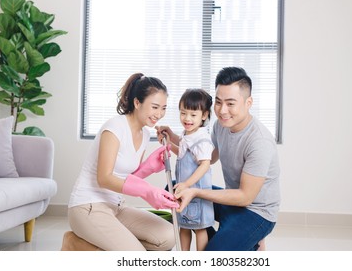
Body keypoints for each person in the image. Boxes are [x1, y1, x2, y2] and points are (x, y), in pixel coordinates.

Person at [157, 67, 280, 251]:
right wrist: (172, 137)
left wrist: (195, 192)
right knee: (173, 188)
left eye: (231, 104)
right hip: (232, 203)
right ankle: (235, 238)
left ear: (248, 103)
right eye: (218, 102)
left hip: (256, 212)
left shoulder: (259, 141)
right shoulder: (221, 125)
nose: (222, 111)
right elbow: (208, 157)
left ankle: (249, 240)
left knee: (212, 255)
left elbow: (245, 197)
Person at [67, 73, 179, 251]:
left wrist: (148, 167)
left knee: (169, 236)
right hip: (88, 206)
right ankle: (76, 243)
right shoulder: (115, 127)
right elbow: (104, 178)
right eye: (155, 107)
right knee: (135, 256)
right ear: (137, 103)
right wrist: (147, 191)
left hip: (117, 207)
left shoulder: (144, 134)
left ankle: (92, 243)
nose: (159, 114)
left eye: (163, 108)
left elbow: (127, 178)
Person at [161, 89, 215, 251]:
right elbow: (183, 152)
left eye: (193, 115)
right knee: (183, 226)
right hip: (184, 192)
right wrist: (169, 140)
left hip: (196, 193)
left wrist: (186, 184)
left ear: (204, 115)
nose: (187, 118)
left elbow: (205, 164)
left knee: (199, 229)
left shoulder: (202, 138)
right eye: (183, 113)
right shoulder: (187, 134)